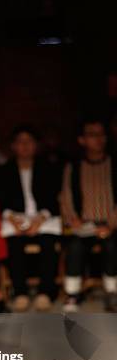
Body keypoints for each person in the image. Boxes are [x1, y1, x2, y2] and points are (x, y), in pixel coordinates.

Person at [0, 126, 62, 311]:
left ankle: (46, 292)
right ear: (13, 146)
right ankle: (21, 292)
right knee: (14, 243)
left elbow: (54, 197)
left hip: (43, 216)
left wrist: (40, 220)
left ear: (36, 145)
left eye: (29, 141)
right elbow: (1, 199)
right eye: (20, 142)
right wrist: (13, 219)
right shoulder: (4, 170)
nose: (24, 146)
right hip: (15, 217)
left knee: (49, 242)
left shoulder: (48, 167)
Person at [60, 118, 117, 312]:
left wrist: (110, 225)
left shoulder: (113, 163)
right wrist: (72, 219)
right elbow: (65, 196)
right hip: (83, 225)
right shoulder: (74, 167)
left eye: (101, 134)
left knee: (111, 245)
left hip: (109, 224)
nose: (98, 139)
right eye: (92, 135)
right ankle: (73, 293)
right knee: (75, 247)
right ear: (82, 140)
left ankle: (112, 292)